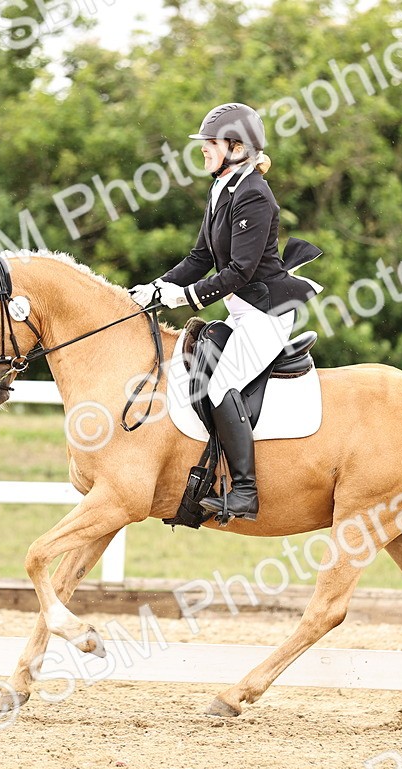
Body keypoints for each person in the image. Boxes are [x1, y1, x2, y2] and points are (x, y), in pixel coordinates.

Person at [130, 102, 323, 521]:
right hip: (243, 313)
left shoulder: (254, 194)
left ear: (236, 147)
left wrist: (184, 298)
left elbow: (238, 272)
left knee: (220, 388)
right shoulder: (223, 189)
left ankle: (245, 492)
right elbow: (200, 257)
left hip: (267, 314)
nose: (202, 150)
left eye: (210, 144)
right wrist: (157, 287)